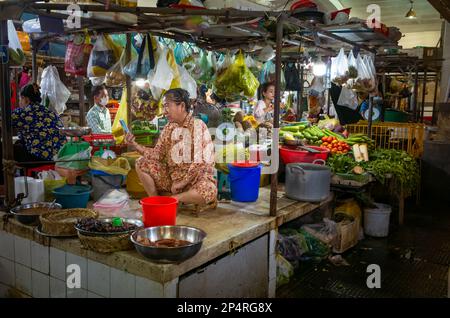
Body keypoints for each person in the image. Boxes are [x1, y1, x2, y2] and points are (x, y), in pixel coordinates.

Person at [125, 88, 217, 208]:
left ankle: (173, 200)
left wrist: (182, 182)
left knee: (209, 189)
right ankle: (155, 203)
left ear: (182, 106)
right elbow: (157, 154)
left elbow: (201, 162)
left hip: (194, 181)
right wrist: (135, 145)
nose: (164, 111)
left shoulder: (198, 126)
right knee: (141, 162)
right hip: (172, 180)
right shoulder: (169, 128)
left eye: (167, 106)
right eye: (163, 107)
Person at [12, 83, 65, 162]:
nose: (20, 102)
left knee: (6, 148)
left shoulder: (22, 112)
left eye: (20, 99)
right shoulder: (49, 111)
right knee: (19, 142)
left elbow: (4, 121)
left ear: (26, 99)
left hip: (39, 157)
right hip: (59, 156)